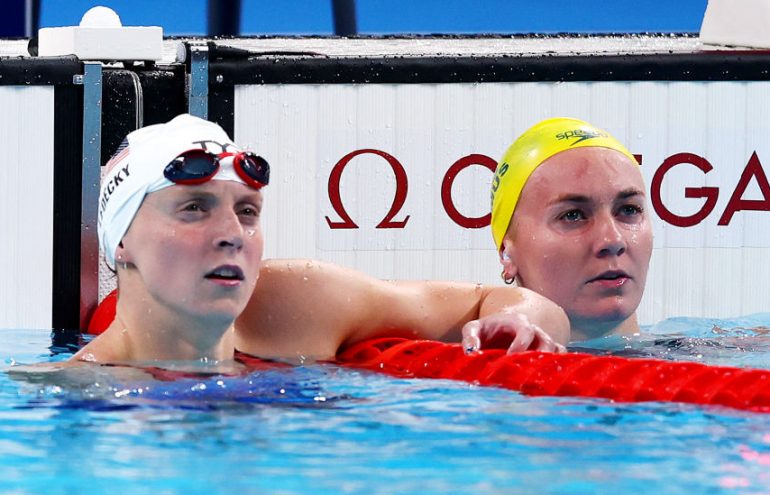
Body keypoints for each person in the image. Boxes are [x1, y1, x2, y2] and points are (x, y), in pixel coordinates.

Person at [57, 114, 568, 373]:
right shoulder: (68, 399)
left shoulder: (296, 306)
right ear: (121, 241)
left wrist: (519, 321)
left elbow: (516, 305)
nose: (232, 235)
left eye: (247, 212)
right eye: (194, 208)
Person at [491, 117, 652, 342]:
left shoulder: (706, 350)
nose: (613, 240)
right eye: (572, 215)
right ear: (506, 253)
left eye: (629, 209)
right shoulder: (465, 368)